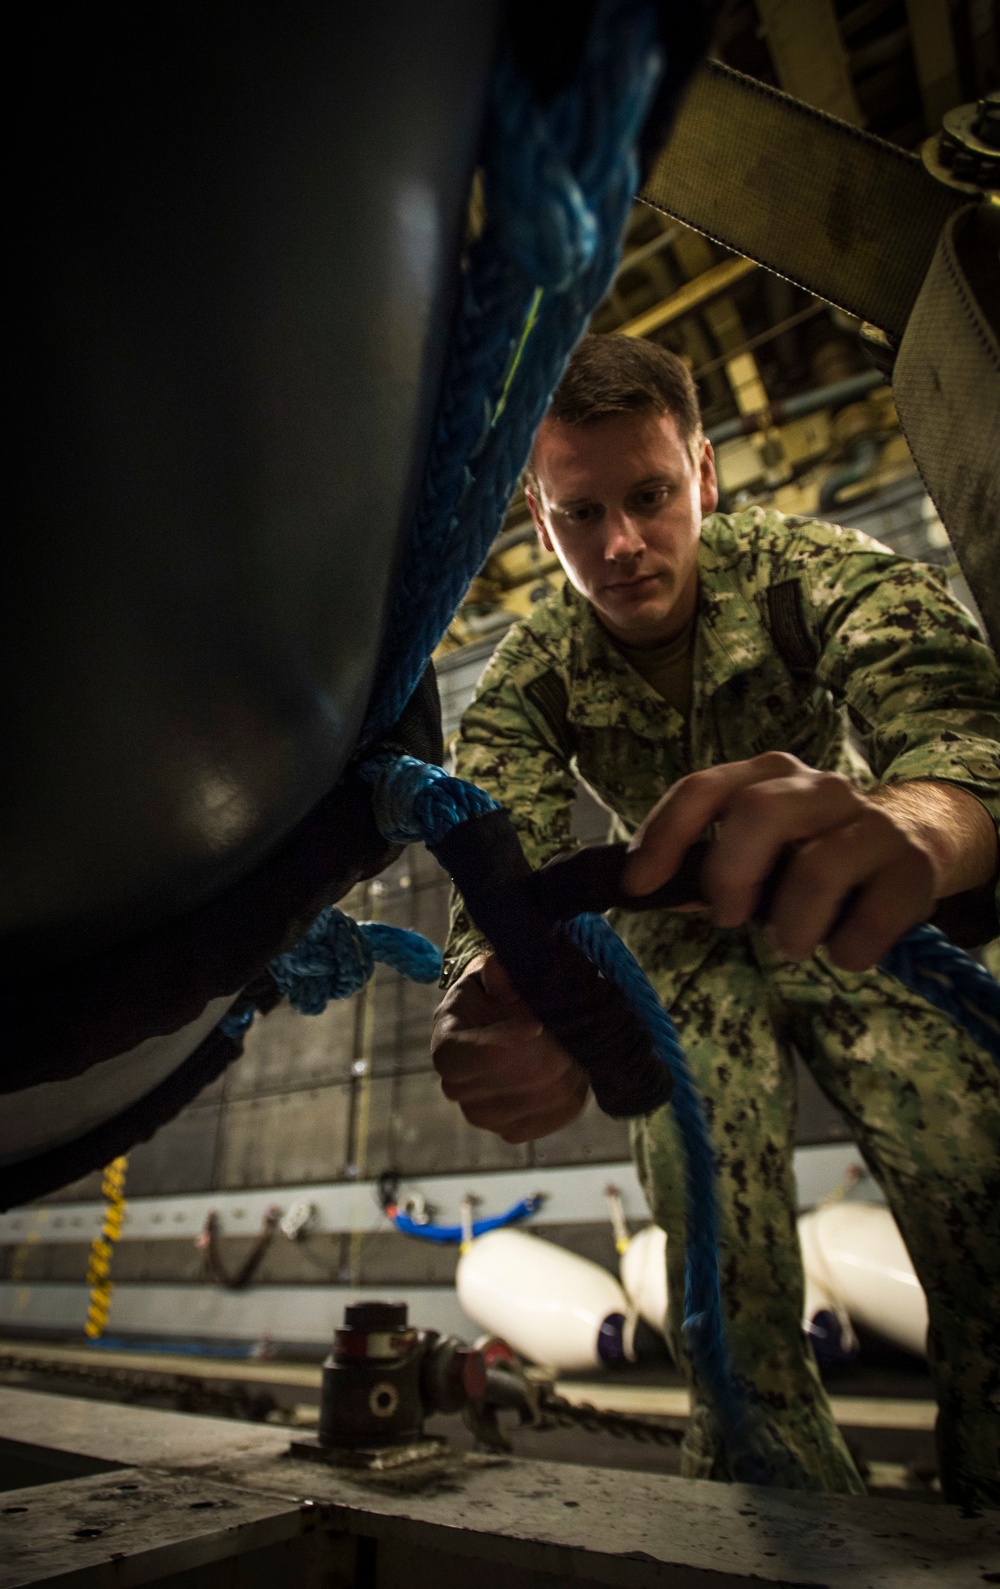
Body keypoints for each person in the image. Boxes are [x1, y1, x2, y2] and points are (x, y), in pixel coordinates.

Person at [432, 334, 1000, 1506]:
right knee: (718, 1249)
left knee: (973, 1180)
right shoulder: (529, 671)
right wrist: (499, 995)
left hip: (844, 895)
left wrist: (916, 825)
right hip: (675, 952)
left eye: (647, 497)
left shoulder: (808, 570)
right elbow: (498, 855)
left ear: (703, 472)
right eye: (580, 514)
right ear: (540, 525)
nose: (621, 545)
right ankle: (773, 1509)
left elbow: (950, 715)